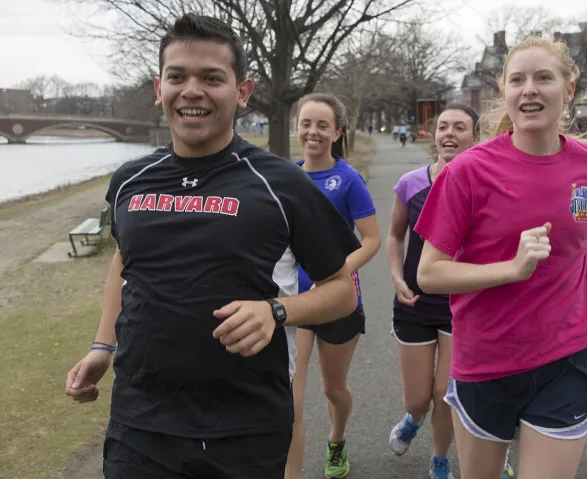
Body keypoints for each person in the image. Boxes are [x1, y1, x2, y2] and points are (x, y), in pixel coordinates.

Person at [64, 13, 363, 479]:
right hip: (139, 424)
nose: (192, 91)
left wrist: (276, 311)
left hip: (244, 428)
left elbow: (342, 290)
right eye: (177, 76)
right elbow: (125, 264)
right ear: (157, 88)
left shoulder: (282, 183)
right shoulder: (129, 181)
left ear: (242, 93)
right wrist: (103, 345)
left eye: (211, 78)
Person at [414, 36, 587, 479]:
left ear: (569, 90)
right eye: (518, 80)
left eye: (543, 78)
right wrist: (510, 269)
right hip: (485, 360)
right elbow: (429, 273)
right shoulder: (466, 172)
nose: (529, 89)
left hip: (567, 356)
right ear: (505, 94)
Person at [387, 104, 491, 479]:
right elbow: (395, 236)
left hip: (459, 308)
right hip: (413, 303)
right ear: (434, 136)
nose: (449, 133)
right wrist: (397, 278)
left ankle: (439, 457)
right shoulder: (411, 183)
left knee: (447, 394)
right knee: (418, 399)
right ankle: (412, 420)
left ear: (475, 137)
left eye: (459, 127)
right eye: (443, 127)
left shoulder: (485, 187)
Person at [284, 93, 381, 479]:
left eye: (322, 125)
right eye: (306, 123)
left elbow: (371, 240)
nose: (313, 132)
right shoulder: (287, 177)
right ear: (297, 129)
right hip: (297, 303)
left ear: (337, 132)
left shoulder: (349, 179)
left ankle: (336, 439)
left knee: (333, 390)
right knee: (291, 398)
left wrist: (336, 275)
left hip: (339, 301)